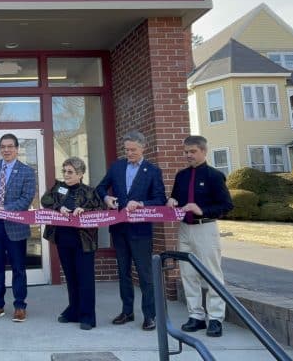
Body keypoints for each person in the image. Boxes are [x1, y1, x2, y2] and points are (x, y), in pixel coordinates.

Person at [95, 130, 165, 331]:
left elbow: (160, 199)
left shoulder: (152, 171)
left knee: (144, 274)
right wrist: (106, 198)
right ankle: (127, 311)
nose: (130, 153)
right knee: (123, 272)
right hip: (119, 229)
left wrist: (142, 203)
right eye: (127, 150)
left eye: (133, 149)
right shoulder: (117, 167)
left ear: (144, 147)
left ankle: (149, 315)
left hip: (141, 231)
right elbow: (101, 187)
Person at [167, 135, 234, 338]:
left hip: (205, 228)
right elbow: (176, 198)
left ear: (204, 151)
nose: (188, 155)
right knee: (187, 274)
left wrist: (201, 209)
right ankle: (196, 316)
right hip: (185, 229)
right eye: (186, 152)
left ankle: (215, 318)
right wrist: (171, 201)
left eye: (193, 151)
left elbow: (226, 206)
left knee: (212, 273)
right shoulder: (181, 176)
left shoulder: (215, 176)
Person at [41, 157, 102, 330]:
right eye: (64, 171)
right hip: (63, 239)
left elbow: (101, 211)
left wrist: (85, 211)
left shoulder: (90, 191)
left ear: (80, 174)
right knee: (71, 278)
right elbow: (45, 200)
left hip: (84, 242)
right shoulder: (59, 187)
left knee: (85, 279)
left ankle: (88, 316)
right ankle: (73, 310)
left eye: (70, 172)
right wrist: (59, 207)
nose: (66, 175)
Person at [0, 133, 36, 322]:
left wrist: (6, 209)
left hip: (15, 227)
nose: (6, 150)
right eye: (3, 147)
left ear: (17, 148)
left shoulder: (27, 171)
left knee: (18, 268)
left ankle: (20, 306)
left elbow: (26, 199)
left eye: (10, 146)